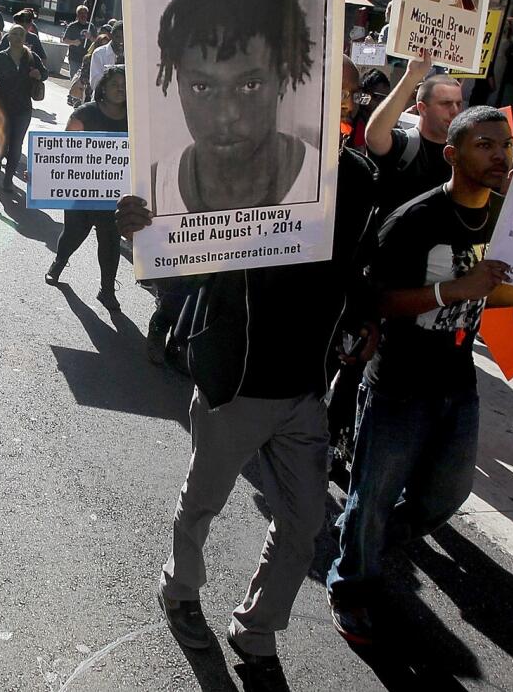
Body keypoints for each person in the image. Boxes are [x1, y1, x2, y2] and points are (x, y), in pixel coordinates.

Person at [119, 139, 380, 688]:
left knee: (305, 522)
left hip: (303, 393)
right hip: (234, 382)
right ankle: (180, 588)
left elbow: (362, 263)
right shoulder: (227, 158)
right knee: (203, 500)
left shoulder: (356, 177)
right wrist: (142, 229)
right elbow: (178, 255)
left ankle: (255, 629)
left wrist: (363, 319)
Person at [327, 106, 513, 644]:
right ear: (452, 154)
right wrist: (454, 291)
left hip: (457, 380)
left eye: (506, 145)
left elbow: (500, 289)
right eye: (485, 145)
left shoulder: (502, 219)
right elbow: (374, 298)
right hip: (398, 380)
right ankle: (351, 583)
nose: (500, 155)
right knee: (374, 494)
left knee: (446, 495)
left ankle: (362, 534)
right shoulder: (414, 219)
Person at [148, 0, 317, 215]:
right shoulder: (156, 189)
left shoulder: (321, 182)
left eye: (249, 85)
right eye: (202, 87)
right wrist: (136, 232)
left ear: (281, 79)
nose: (226, 115)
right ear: (178, 83)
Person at [45, 66, 127, 310]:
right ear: (103, 87)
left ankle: (107, 290)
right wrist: (43, 174)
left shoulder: (135, 116)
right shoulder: (86, 113)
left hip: (114, 196)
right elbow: (62, 149)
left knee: (110, 242)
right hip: (80, 190)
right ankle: (59, 262)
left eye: (125, 84)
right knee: (74, 233)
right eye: (115, 84)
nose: (120, 89)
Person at [362, 53, 454, 214]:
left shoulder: (460, 157)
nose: (453, 111)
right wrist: (411, 76)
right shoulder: (405, 142)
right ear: (422, 108)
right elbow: (375, 137)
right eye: (444, 104)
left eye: (458, 104)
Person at [0, 23, 47, 192]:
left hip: (22, 109)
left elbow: (45, 73)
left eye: (21, 35)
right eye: (14, 34)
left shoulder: (31, 57)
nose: (18, 38)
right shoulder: (0, 58)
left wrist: (39, 74)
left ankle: (8, 179)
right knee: (0, 142)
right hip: (0, 108)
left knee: (16, 145)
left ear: (25, 39)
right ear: (8, 37)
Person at [87, 20, 122, 92]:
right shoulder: (99, 53)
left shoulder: (130, 55)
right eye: (118, 37)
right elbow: (94, 83)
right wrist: (114, 69)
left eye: (124, 38)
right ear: (111, 35)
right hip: (102, 99)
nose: (121, 41)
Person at [62, 5, 92, 82]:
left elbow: (97, 40)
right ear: (77, 15)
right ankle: (73, 93)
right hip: (74, 57)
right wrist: (73, 42)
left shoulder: (91, 26)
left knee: (85, 80)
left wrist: (90, 37)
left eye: (85, 13)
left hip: (87, 58)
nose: (83, 15)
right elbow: (65, 40)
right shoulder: (72, 26)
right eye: (81, 13)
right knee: (74, 79)